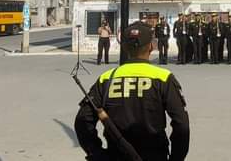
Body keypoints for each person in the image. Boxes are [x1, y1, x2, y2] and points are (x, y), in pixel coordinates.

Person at [74, 21, 190, 161]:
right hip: (155, 155)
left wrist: (97, 154)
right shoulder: (164, 78)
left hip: (115, 156)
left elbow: (83, 120)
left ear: (125, 47)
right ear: (151, 46)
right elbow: (181, 125)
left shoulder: (107, 78)